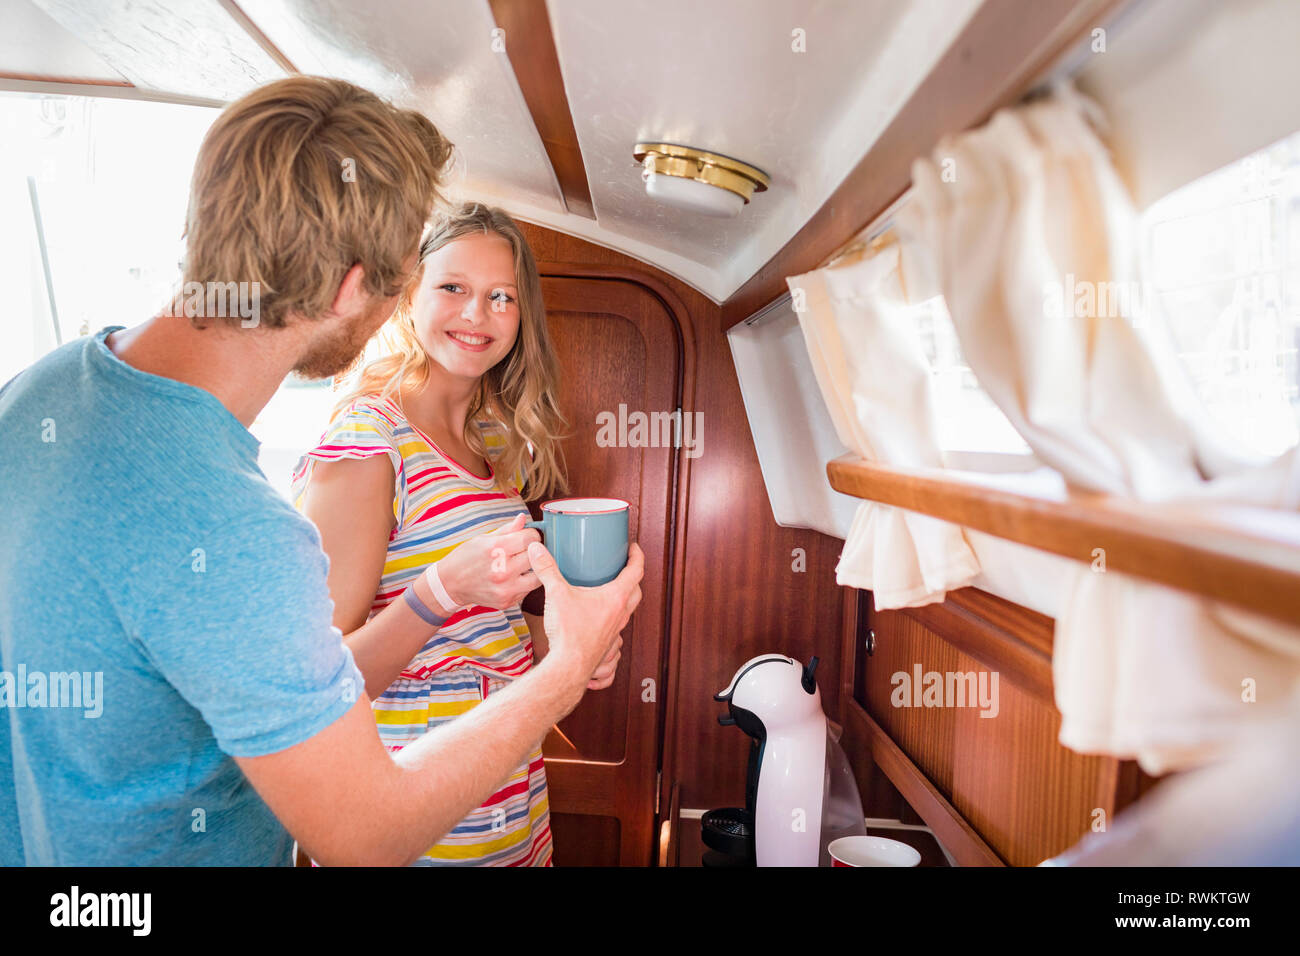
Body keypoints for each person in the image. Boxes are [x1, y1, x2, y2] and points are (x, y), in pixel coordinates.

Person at [0, 75, 643, 866]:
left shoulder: (38, 391)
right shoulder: (242, 532)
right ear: (350, 289)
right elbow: (365, 836)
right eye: (411, 278)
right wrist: (569, 666)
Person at [293, 201, 603, 865]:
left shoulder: (495, 454)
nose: (475, 314)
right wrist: (439, 589)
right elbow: (324, 685)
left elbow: (487, 635)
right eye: (453, 288)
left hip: (508, 797)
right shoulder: (369, 438)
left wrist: (578, 642)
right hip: (416, 817)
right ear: (410, 298)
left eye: (501, 297)